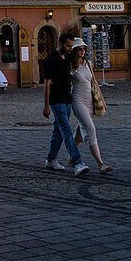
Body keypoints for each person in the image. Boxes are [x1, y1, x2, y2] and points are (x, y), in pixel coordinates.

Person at [43, 32, 89, 177]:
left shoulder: (68, 57)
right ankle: (77, 162)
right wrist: (46, 105)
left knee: (58, 131)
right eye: (68, 46)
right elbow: (47, 83)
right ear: (61, 43)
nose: (70, 48)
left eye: (71, 46)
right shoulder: (51, 59)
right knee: (66, 130)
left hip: (67, 98)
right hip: (56, 100)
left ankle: (51, 159)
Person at [69, 38, 113, 173]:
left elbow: (93, 81)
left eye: (83, 49)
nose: (82, 51)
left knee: (79, 133)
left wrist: (101, 99)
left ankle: (72, 157)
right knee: (90, 130)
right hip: (78, 100)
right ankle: (101, 164)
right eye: (80, 49)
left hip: (89, 100)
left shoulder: (87, 63)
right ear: (74, 51)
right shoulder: (70, 65)